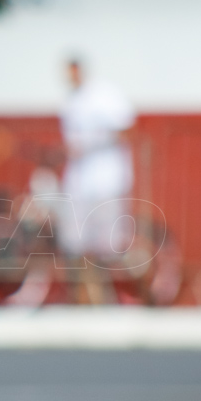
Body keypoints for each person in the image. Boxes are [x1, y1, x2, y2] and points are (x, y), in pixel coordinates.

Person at [58, 58, 136, 304]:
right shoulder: (72, 101)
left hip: (106, 181)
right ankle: (88, 299)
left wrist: (90, 145)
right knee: (78, 246)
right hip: (79, 184)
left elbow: (124, 129)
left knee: (109, 248)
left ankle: (112, 296)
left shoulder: (104, 94)